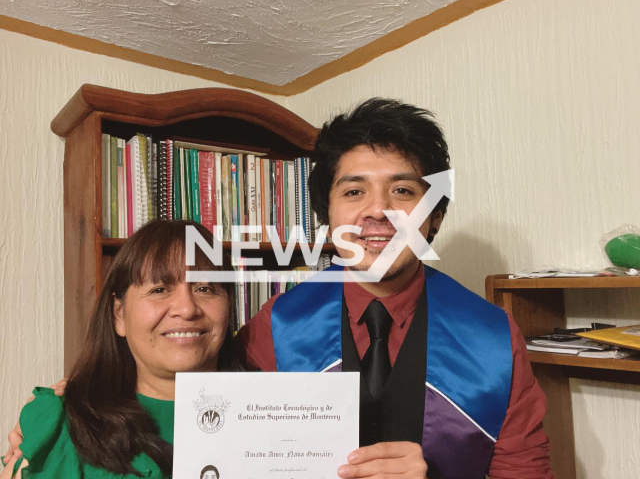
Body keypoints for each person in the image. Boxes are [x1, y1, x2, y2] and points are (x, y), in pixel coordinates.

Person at [236, 99, 555, 479]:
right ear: (327, 217)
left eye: (402, 191)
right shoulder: (276, 326)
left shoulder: (494, 340)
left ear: (434, 217)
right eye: (354, 192)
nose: (377, 211)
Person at [0, 220, 237, 479]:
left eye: (205, 288)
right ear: (119, 314)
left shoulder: (273, 414)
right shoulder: (63, 425)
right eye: (159, 289)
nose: (187, 308)